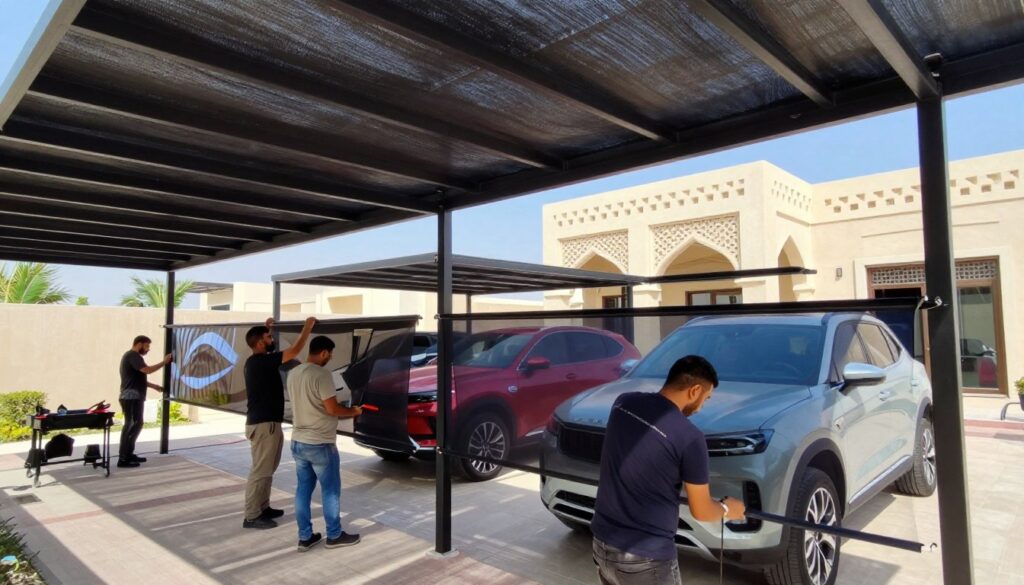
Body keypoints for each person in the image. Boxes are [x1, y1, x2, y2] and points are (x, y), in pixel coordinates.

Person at [591, 355, 745, 585]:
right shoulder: (690, 438)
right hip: (646, 559)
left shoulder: (624, 403)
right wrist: (726, 509)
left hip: (602, 543)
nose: (702, 406)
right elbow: (701, 510)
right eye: (706, 398)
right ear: (694, 391)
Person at [286, 335, 363, 552]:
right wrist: (353, 411)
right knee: (330, 491)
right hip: (320, 443)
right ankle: (334, 535)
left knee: (303, 490)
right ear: (323, 352)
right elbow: (332, 409)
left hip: (298, 442)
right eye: (329, 354)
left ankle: (305, 537)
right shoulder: (322, 374)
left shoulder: (293, 373)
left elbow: (312, 402)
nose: (330, 358)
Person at [242, 316, 316, 530]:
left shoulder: (258, 360)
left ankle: (262, 507)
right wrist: (307, 328)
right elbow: (293, 351)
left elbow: (273, 349)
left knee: (267, 469)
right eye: (268, 337)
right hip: (264, 425)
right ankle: (252, 515)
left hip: (268, 424)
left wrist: (267, 327)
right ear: (259, 343)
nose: (271, 339)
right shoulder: (259, 362)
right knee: (260, 471)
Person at [117, 335, 172, 468]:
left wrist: (154, 386)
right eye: (146, 346)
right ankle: (123, 458)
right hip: (131, 397)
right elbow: (147, 370)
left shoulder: (131, 357)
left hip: (133, 396)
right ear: (139, 344)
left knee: (136, 424)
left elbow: (137, 378)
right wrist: (164, 362)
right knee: (131, 425)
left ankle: (129, 454)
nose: (147, 349)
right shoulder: (133, 356)